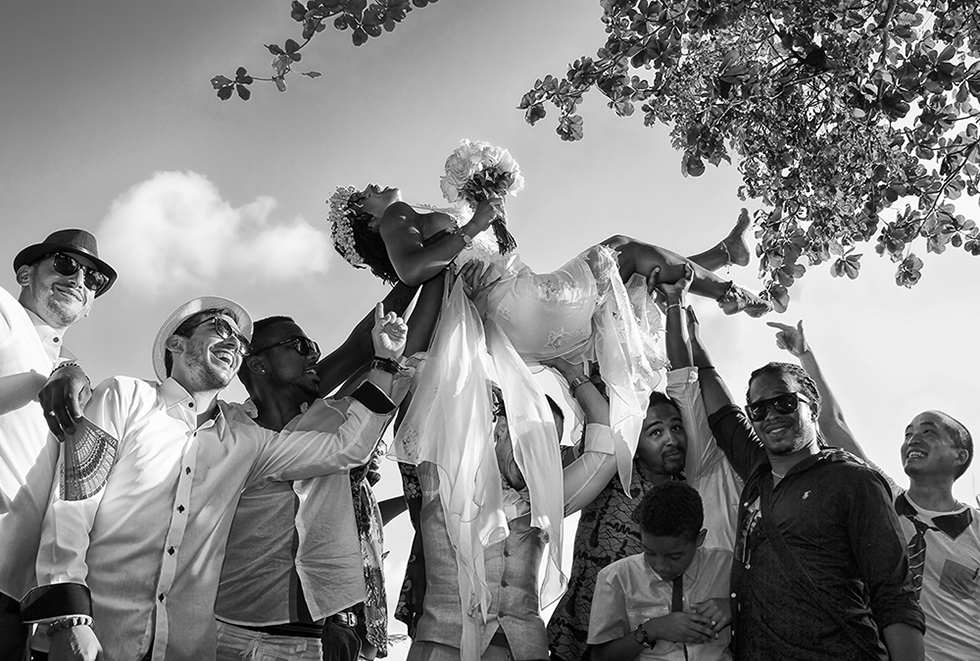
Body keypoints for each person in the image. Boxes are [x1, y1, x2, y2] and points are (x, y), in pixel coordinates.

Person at [329, 185, 760, 622]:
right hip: (514, 306)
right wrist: (475, 225)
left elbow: (473, 259)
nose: (371, 188)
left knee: (624, 279)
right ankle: (727, 287)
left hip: (514, 317)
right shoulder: (395, 215)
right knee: (621, 251)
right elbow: (413, 269)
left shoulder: (424, 224)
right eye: (361, 194)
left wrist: (490, 217)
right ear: (365, 218)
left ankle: (722, 260)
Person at [21, 296, 412, 661]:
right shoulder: (125, 397)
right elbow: (73, 502)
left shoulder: (248, 440)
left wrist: (386, 363)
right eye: (221, 328)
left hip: (188, 648)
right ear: (175, 342)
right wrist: (68, 617)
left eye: (241, 342)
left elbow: (347, 448)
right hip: (99, 638)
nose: (235, 344)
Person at [215, 280, 441, 661]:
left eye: (315, 349)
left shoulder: (344, 415)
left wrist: (433, 273)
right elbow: (355, 353)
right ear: (256, 364)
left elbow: (401, 354)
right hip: (223, 633)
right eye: (300, 346)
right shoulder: (226, 429)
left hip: (311, 642)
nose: (313, 357)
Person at [690, 313, 925, 659]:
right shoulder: (759, 471)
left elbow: (894, 595)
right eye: (758, 409)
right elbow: (722, 410)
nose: (771, 415)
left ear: (811, 406)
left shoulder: (853, 481)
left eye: (784, 402)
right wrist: (687, 328)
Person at [547, 266, 743, 661]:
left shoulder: (692, 486)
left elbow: (685, 384)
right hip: (581, 629)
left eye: (675, 428)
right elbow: (605, 403)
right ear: (635, 441)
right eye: (654, 432)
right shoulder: (613, 471)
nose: (671, 438)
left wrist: (676, 306)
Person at [767, 320, 980, 661]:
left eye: (928, 432)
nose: (913, 439)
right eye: (908, 433)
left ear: (960, 455)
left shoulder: (977, 529)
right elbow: (833, 425)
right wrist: (805, 355)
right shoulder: (882, 497)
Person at [405, 354, 618, 661]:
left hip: (523, 652)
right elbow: (429, 381)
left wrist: (568, 370)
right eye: (533, 443)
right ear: (502, 429)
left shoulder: (547, 503)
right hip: (443, 648)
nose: (539, 459)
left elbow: (606, 447)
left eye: (550, 449)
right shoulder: (445, 476)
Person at [0, 229, 116, 660]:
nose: (80, 279)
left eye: (93, 280)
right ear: (26, 274)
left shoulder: (64, 364)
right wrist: (34, 384)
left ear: (89, 307)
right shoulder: (3, 311)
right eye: (66, 265)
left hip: (17, 602)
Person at [588, 481, 733, 661]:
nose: (661, 566)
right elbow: (600, 658)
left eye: (675, 556)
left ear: (699, 538)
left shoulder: (728, 567)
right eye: (650, 553)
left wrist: (734, 607)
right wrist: (651, 630)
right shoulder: (616, 579)